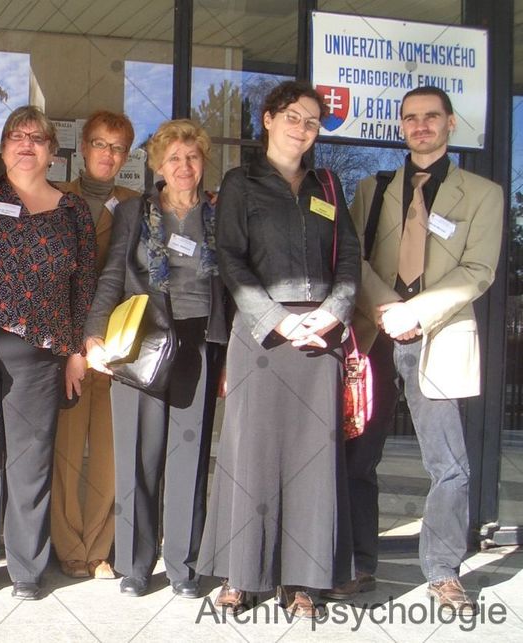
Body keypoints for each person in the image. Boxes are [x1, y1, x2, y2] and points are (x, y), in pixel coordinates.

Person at [328, 86, 503, 614]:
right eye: (411, 118)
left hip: (439, 335)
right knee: (358, 457)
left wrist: (417, 312)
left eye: (431, 116)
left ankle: (444, 572)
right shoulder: (372, 188)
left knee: (449, 464)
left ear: (450, 123)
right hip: (376, 334)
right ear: (401, 126)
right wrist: (388, 307)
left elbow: (479, 270)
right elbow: (352, 258)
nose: (420, 125)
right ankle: (360, 564)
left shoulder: (484, 193)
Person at [196, 80, 359, 618]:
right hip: (263, 334)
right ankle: (241, 575)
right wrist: (278, 321)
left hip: (320, 337)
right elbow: (230, 259)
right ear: (267, 119)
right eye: (293, 116)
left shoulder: (329, 185)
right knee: (251, 454)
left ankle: (303, 581)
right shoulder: (240, 183)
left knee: (313, 460)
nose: (302, 128)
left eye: (312, 122)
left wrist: (332, 314)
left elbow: (349, 259)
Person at [0, 106, 96, 601]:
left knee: (31, 463)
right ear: (3, 147)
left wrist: (76, 351)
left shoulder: (73, 211)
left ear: (53, 152)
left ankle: (27, 570)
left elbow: (85, 285)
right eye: (16, 136)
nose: (26, 144)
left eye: (37, 138)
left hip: (41, 353)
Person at [84, 119, 229, 598]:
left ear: (203, 161)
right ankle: (135, 565)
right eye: (173, 159)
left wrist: (233, 353)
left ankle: (184, 566)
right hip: (142, 340)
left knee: (189, 455)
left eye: (192, 157)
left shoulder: (219, 213)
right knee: (137, 456)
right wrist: (94, 336)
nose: (184, 166)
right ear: (158, 167)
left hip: (200, 341)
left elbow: (233, 284)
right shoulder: (134, 212)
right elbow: (111, 276)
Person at [51, 111, 139, 581]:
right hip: (66, 346)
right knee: (66, 453)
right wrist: (71, 346)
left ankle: (99, 547)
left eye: (118, 147)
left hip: (116, 347)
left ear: (127, 156)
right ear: (83, 148)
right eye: (101, 144)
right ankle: (69, 547)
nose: (109, 154)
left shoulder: (136, 205)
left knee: (108, 453)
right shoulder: (57, 197)